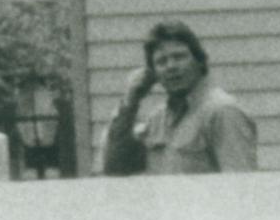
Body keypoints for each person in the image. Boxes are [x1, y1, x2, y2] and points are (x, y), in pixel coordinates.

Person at [99, 22, 258, 175]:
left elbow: (240, 188)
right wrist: (130, 102)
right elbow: (116, 169)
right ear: (153, 74)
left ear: (199, 62)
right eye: (161, 61)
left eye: (179, 57)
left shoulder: (222, 112)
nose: (171, 66)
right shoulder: (157, 120)